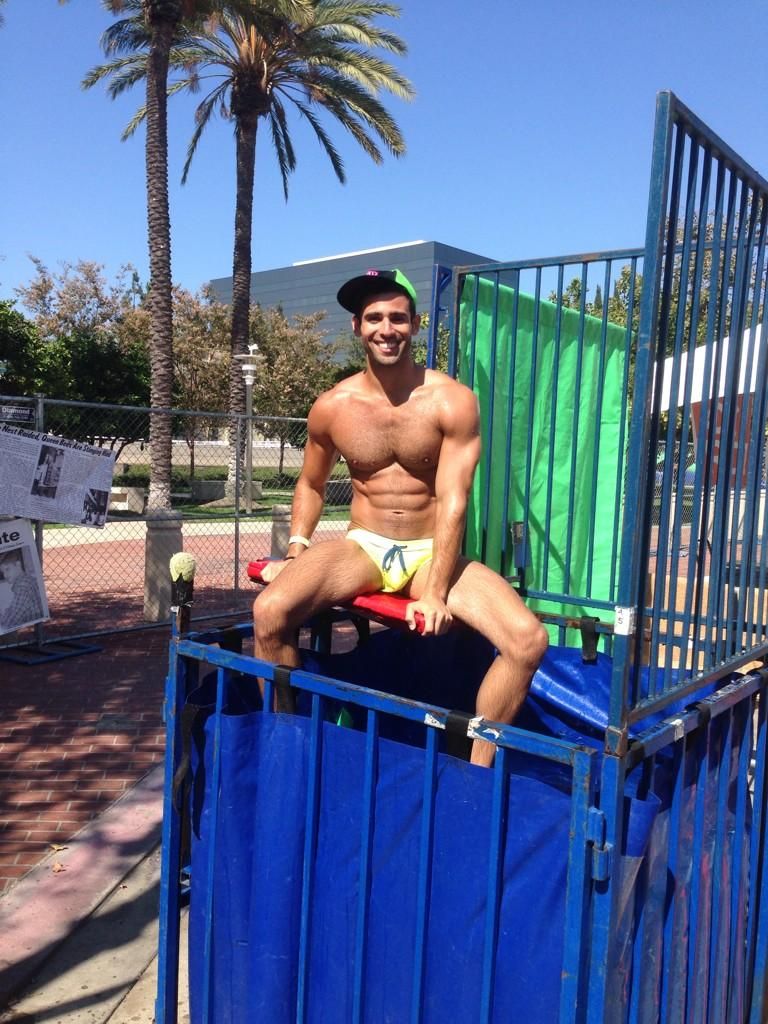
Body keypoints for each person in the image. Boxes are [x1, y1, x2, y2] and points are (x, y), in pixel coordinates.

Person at [253, 268, 548, 766]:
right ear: (356, 327)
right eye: (373, 318)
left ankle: (477, 769)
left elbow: (455, 497)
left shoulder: (452, 400)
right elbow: (310, 483)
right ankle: (284, 741)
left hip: (431, 551)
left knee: (527, 640)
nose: (385, 328)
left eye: (396, 317)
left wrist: (435, 591)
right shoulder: (332, 406)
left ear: (415, 324)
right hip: (364, 545)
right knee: (269, 613)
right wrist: (297, 549)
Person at [0, 553, 43, 630]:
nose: (5, 575)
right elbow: (12, 609)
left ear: (18, 564)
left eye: (7, 569)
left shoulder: (23, 586)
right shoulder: (26, 580)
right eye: (3, 572)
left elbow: (12, 620)